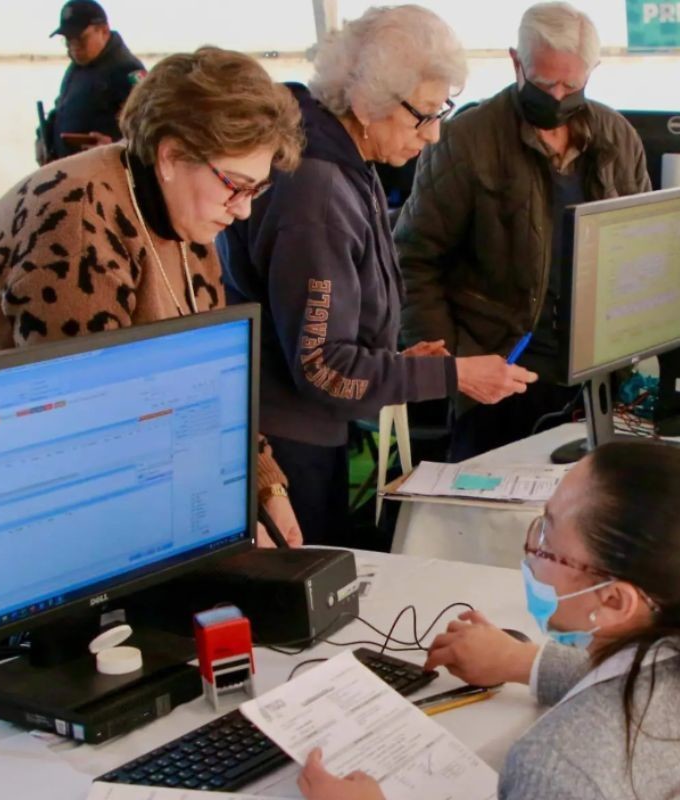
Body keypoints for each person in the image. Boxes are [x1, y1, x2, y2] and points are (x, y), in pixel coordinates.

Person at [295, 442, 680, 799]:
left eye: (549, 537)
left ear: (620, 600)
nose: (532, 548)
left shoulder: (561, 766)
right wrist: (523, 662)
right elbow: (655, 691)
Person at [0, 47, 307, 547]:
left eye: (257, 190)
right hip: (15, 516)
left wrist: (265, 484)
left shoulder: (185, 221)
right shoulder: (74, 215)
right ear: (171, 155)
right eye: (235, 186)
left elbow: (208, 382)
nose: (243, 211)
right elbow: (95, 423)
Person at [217, 6, 537, 548]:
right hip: (294, 449)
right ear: (370, 101)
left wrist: (394, 365)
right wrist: (455, 376)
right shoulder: (316, 190)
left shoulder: (341, 159)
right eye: (425, 114)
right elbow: (322, 368)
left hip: (314, 431)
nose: (434, 135)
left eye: (443, 112)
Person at [395, 2, 652, 461]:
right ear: (516, 63)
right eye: (543, 82)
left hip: (595, 374)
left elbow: (641, 248)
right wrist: (451, 366)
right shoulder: (465, 140)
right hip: (497, 374)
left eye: (571, 85)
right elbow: (413, 258)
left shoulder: (618, 136)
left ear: (593, 70)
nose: (556, 96)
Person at [36, 0, 146, 164]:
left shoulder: (127, 70)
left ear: (103, 31)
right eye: (68, 40)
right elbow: (61, 109)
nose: (73, 47)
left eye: (80, 39)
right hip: (69, 171)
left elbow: (148, 129)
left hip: (104, 176)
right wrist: (42, 138)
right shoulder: (77, 67)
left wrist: (115, 148)